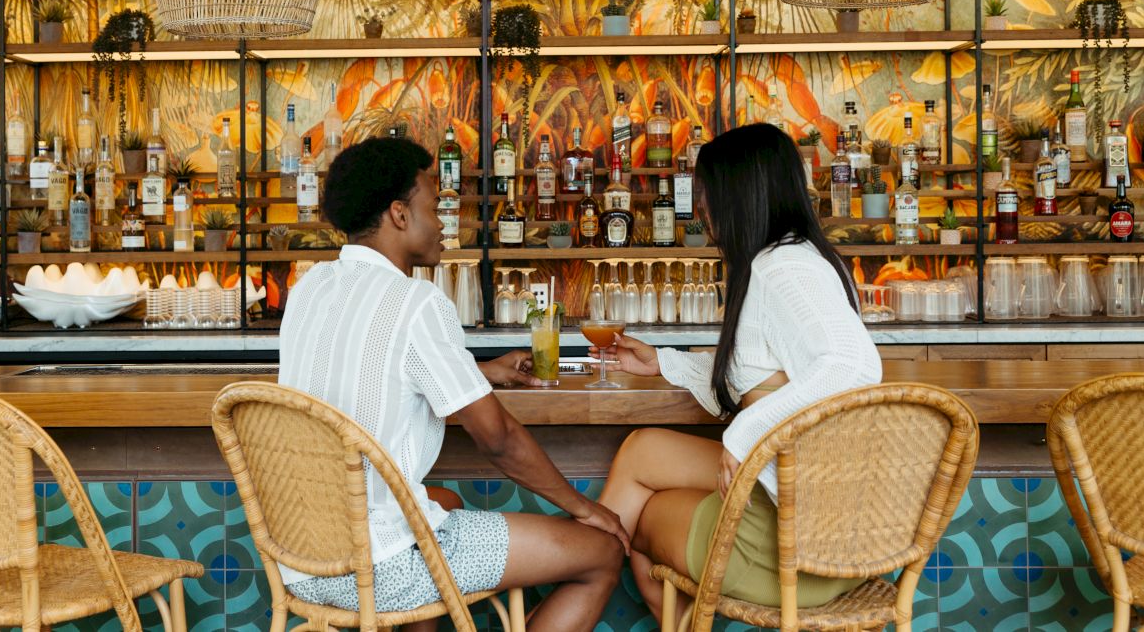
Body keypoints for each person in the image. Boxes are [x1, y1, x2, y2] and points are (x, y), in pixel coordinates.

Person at [278, 136, 628, 632]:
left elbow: (371, 375)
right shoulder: (415, 302)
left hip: (300, 558)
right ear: (399, 214)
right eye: (433, 204)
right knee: (603, 553)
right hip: (381, 568)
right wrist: (584, 507)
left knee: (444, 502)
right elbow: (498, 439)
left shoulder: (308, 287)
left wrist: (476, 374)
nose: (444, 220)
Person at [596, 123, 882, 622]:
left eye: (706, 194)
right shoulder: (799, 260)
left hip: (791, 554)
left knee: (633, 522)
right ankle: (582, 567)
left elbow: (853, 367)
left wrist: (744, 434)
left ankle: (576, 578)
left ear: (738, 193)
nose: (702, 208)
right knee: (642, 450)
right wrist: (664, 362)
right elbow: (762, 372)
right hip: (837, 532)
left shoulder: (781, 271)